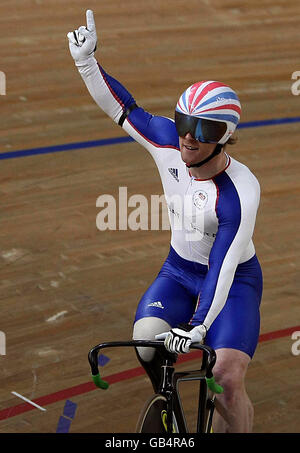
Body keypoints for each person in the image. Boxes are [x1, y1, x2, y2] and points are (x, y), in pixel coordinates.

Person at [67, 10, 263, 433]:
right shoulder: (167, 142)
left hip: (233, 283)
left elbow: (224, 266)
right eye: (183, 123)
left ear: (225, 135)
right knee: (147, 339)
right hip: (178, 271)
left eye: (203, 129)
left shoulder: (240, 190)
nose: (188, 137)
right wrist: (87, 62)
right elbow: (124, 109)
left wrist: (198, 327)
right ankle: (170, 407)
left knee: (227, 381)